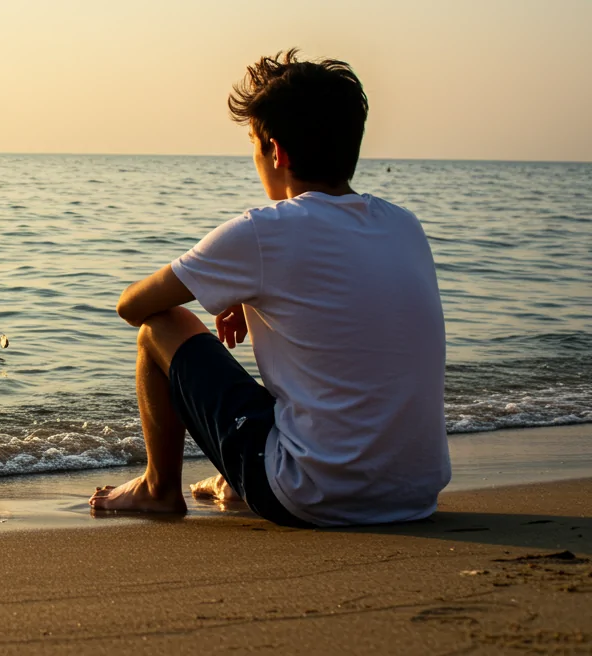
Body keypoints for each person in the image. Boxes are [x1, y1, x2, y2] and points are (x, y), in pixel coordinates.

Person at [88, 49, 449, 527]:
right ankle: (239, 478)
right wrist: (247, 292)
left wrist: (227, 282)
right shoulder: (404, 225)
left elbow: (132, 306)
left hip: (311, 495)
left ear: (276, 151)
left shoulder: (265, 231)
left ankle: (158, 489)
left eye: (254, 145)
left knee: (160, 326)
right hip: (415, 492)